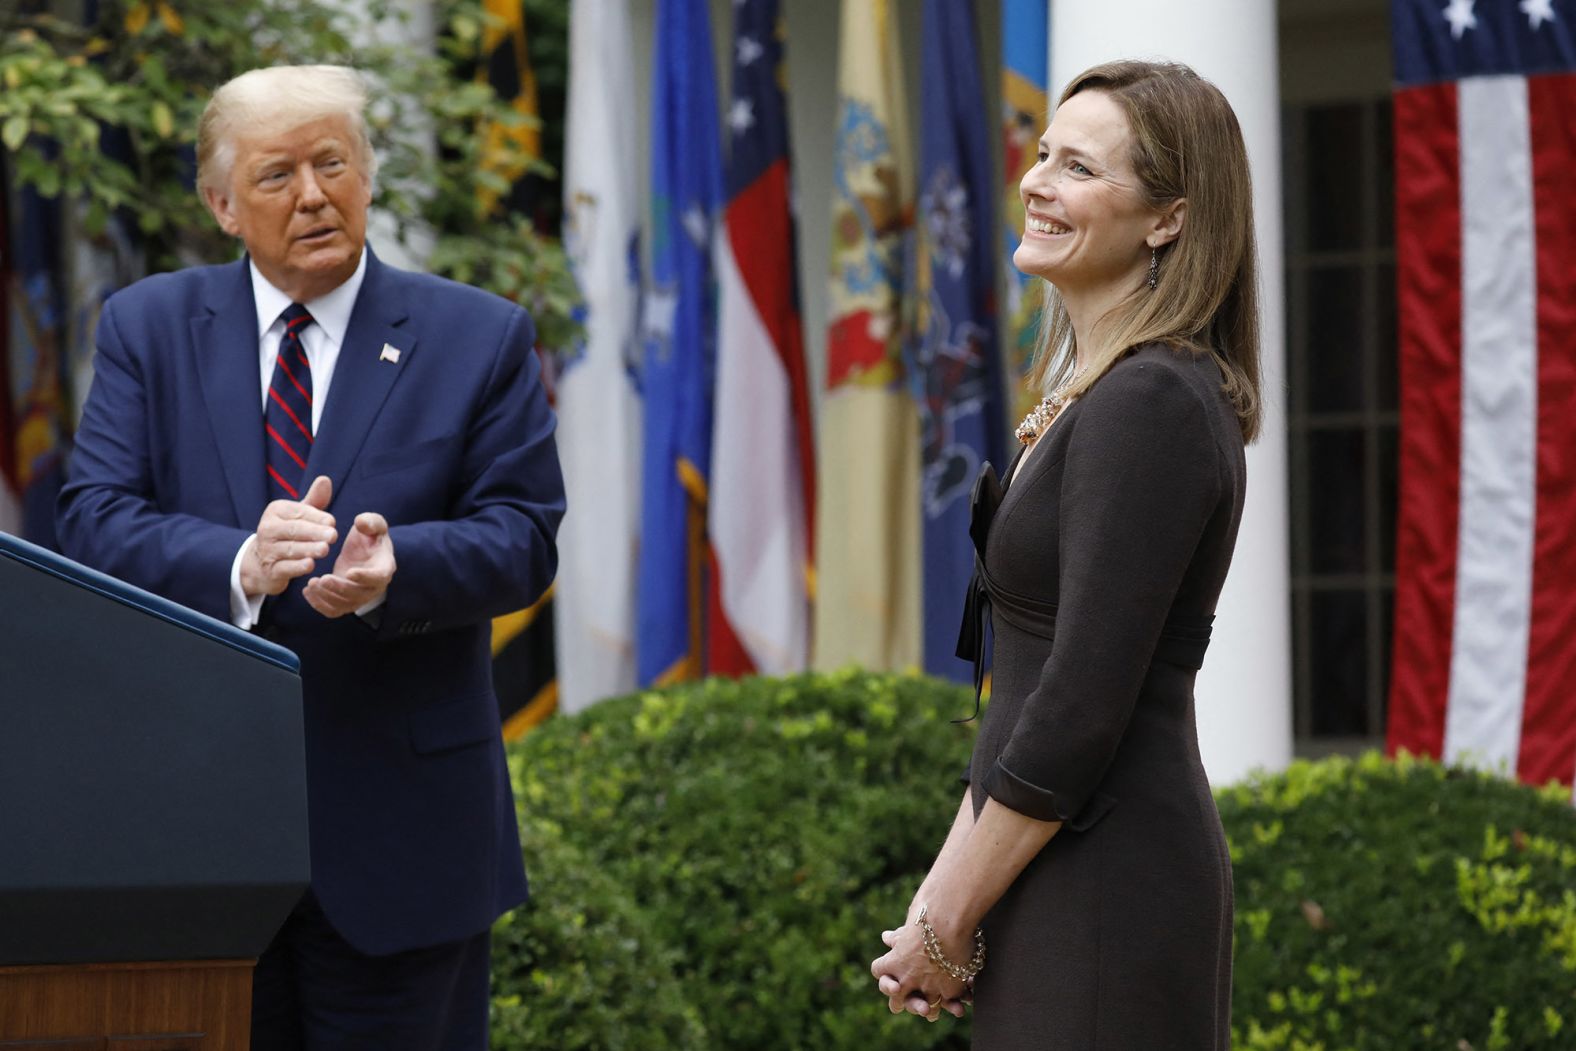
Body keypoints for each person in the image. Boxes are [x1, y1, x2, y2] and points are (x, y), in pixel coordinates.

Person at [56, 65, 565, 1049]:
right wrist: (242, 562)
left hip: (404, 848)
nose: (315, 195)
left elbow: (522, 537)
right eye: (278, 174)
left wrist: (396, 571)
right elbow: (95, 522)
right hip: (192, 842)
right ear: (222, 205)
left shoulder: (477, 335)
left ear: (367, 175)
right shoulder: (147, 329)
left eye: (333, 163)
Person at [870, 59, 1260, 1049]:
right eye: (1042, 155)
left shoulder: (1153, 401)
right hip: (1051, 861)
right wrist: (944, 896)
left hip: (1106, 875)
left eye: (1078, 168)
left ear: (1166, 219)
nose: (1037, 182)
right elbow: (1025, 691)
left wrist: (945, 915)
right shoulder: (1103, 391)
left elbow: (1079, 705)